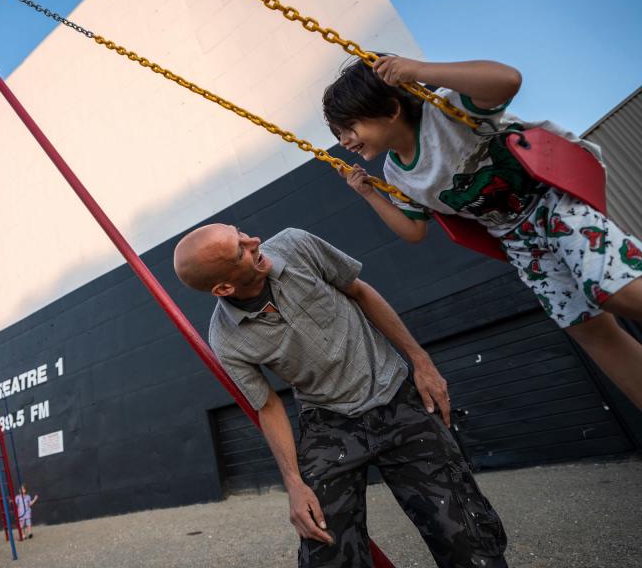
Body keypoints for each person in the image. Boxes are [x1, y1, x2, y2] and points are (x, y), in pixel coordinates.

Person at [173, 225, 507, 568]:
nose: (253, 241)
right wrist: (294, 483)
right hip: (328, 421)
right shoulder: (227, 340)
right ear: (225, 287)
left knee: (465, 534)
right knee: (321, 541)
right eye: (240, 250)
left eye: (240, 233)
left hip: (394, 394)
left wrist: (421, 361)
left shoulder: (297, 245)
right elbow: (269, 405)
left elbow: (360, 292)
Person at [323, 54, 642, 409]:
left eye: (349, 127)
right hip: (518, 239)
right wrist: (369, 193)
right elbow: (414, 231)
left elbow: (508, 80)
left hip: (549, 199)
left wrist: (417, 71)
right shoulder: (397, 174)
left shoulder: (444, 110)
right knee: (588, 329)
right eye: (339, 135)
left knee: (612, 291)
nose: (345, 140)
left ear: (390, 110)